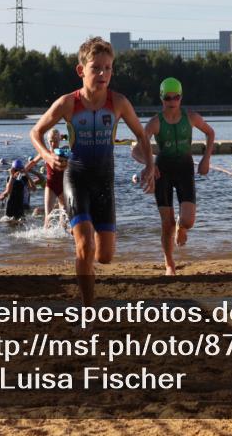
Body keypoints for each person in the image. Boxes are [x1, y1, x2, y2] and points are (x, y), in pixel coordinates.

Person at [30, 36, 154, 307]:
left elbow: (142, 135)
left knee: (104, 256)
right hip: (76, 179)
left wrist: (150, 166)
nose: (102, 74)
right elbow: (35, 132)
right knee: (85, 246)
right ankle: (88, 311)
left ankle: (85, 255)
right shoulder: (68, 103)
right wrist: (48, 157)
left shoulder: (118, 102)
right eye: (96, 68)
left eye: (107, 68)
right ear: (81, 70)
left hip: (104, 183)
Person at [135, 77, 215, 276]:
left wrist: (206, 159)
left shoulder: (191, 117)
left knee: (188, 221)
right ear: (161, 98)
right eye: (168, 98)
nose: (172, 102)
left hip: (185, 169)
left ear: (181, 97)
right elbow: (136, 150)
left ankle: (182, 227)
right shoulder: (155, 122)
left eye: (176, 97)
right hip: (162, 171)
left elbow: (210, 133)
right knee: (167, 224)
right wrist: (150, 164)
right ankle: (169, 264)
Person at [36, 129, 68, 229]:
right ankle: (45, 236)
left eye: (56, 141)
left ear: (59, 140)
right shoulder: (45, 153)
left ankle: (63, 236)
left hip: (63, 187)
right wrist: (23, 170)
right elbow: (33, 162)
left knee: (64, 215)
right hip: (50, 186)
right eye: (51, 141)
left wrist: (64, 137)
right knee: (48, 216)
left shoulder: (64, 151)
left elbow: (73, 143)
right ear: (47, 141)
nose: (53, 144)